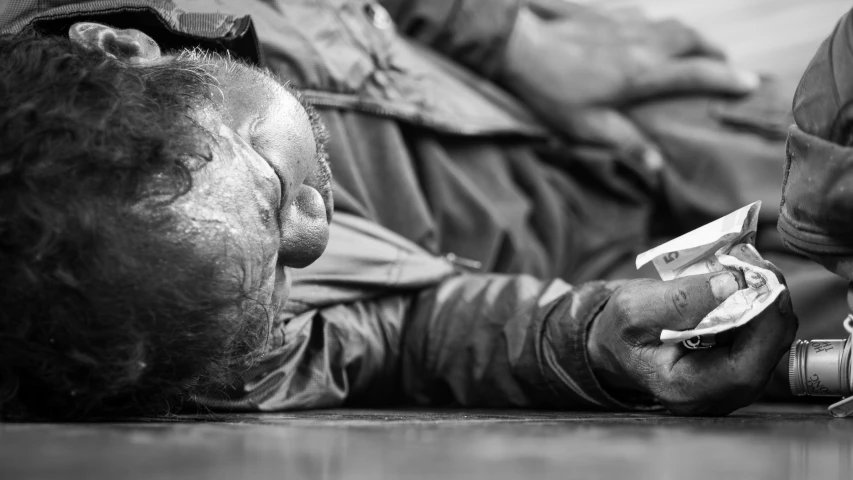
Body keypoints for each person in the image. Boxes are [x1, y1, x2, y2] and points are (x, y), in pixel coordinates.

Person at [0, 0, 827, 420]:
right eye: (276, 294)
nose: (317, 240)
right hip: (606, 268)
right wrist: (589, 341)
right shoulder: (186, 355)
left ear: (123, 50)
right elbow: (409, 330)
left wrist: (510, 39)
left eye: (268, 185)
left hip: (601, 104)